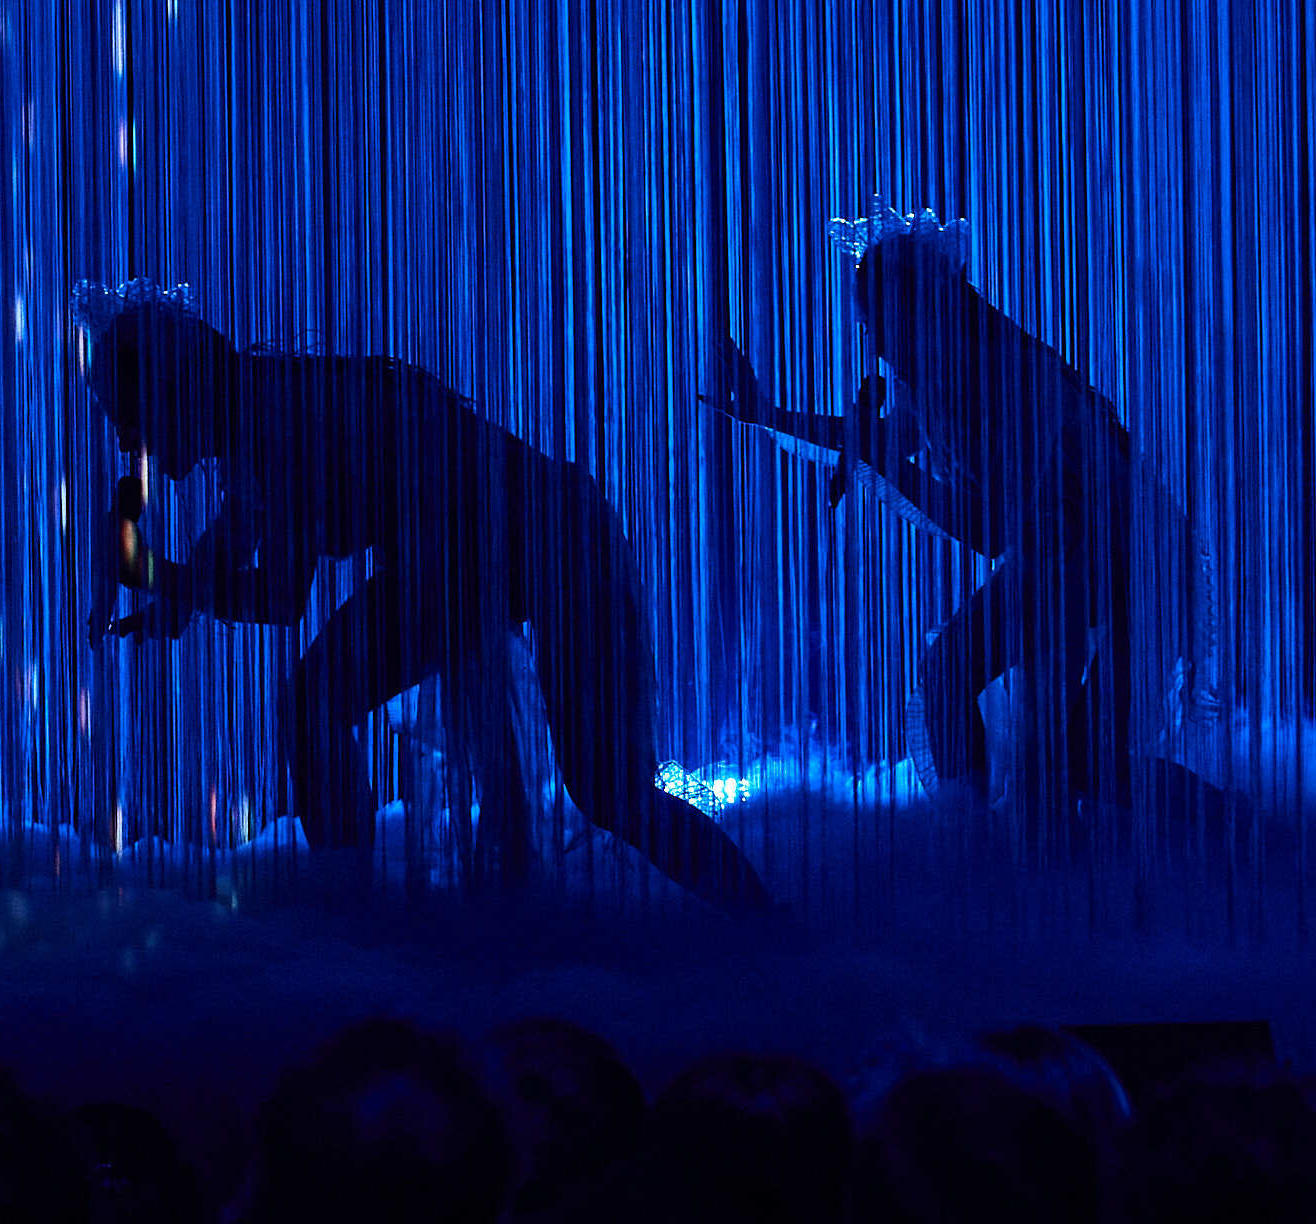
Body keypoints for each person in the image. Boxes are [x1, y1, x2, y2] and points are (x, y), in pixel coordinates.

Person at [76, 284, 767, 911]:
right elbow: (229, 550)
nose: (124, 441)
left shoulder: (275, 421)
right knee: (317, 706)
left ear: (172, 389)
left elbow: (278, 599)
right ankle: (354, 910)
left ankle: (350, 914)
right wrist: (172, 591)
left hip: (542, 542)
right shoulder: (261, 411)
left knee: (606, 790)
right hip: (499, 546)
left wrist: (154, 574)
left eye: (127, 417)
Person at [702, 207, 1230, 843]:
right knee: (969, 689)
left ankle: (1235, 837)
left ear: (922, 313)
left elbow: (989, 528)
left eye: (879, 327)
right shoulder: (935, 377)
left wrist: (880, 458)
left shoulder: (1015, 375)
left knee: (1085, 762)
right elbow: (874, 439)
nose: (873, 346)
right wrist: (767, 414)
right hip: (1063, 561)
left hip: (1139, 568)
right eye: (869, 329)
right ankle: (982, 861)